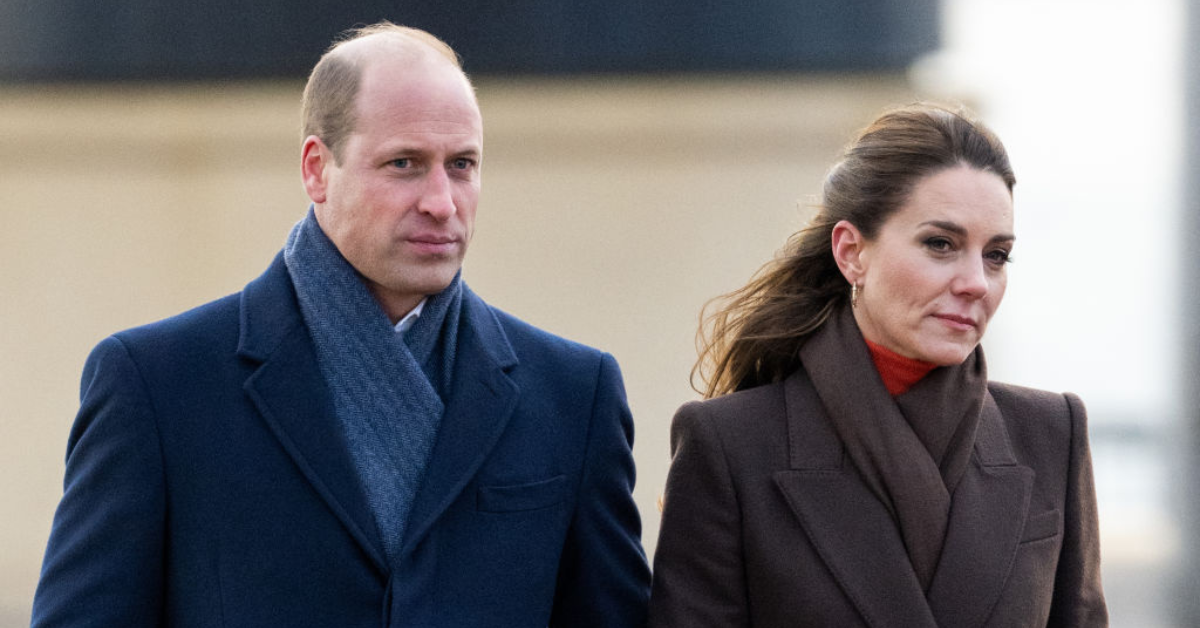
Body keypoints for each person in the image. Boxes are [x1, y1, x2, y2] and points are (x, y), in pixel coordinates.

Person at [32, 22, 650, 627]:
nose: (441, 201)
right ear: (315, 169)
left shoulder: (574, 394)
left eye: (461, 165)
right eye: (405, 163)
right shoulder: (158, 384)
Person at [648, 104, 1107, 627]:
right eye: (941, 244)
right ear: (851, 253)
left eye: (996, 255)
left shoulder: (1050, 434)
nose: (976, 281)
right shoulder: (731, 445)